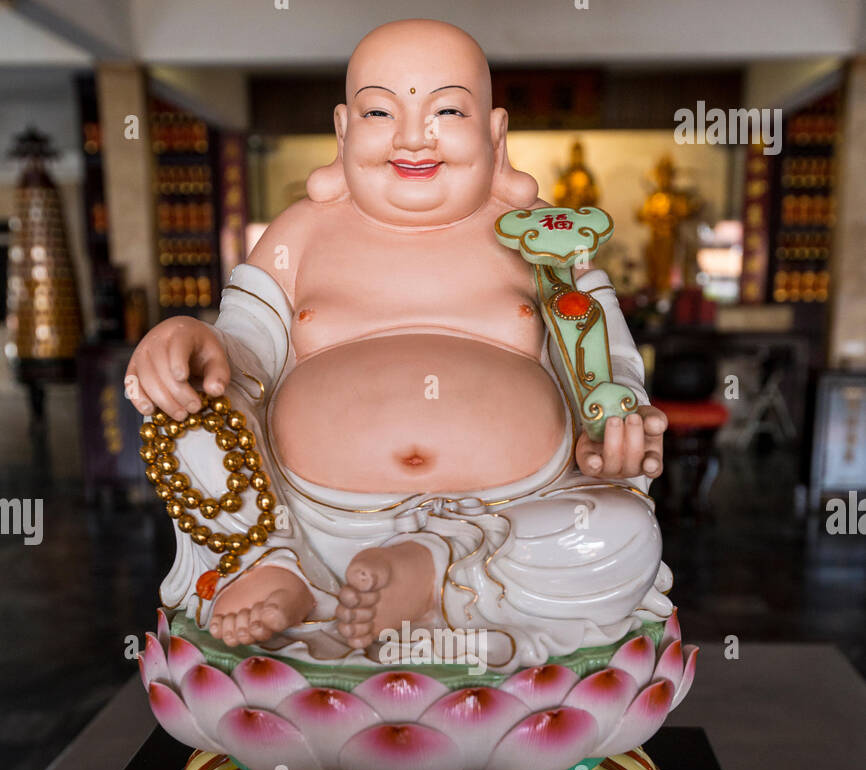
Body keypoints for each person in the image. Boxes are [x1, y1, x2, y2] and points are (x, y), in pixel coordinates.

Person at [126, 19, 671, 674]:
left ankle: (436, 570)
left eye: (446, 109)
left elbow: (604, 359)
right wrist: (188, 340)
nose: (414, 137)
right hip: (313, 525)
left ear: (495, 135)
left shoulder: (545, 237)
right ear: (343, 130)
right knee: (191, 416)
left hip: (512, 519)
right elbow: (242, 354)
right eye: (382, 110)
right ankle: (271, 564)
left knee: (623, 535)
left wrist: (617, 423)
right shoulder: (299, 235)